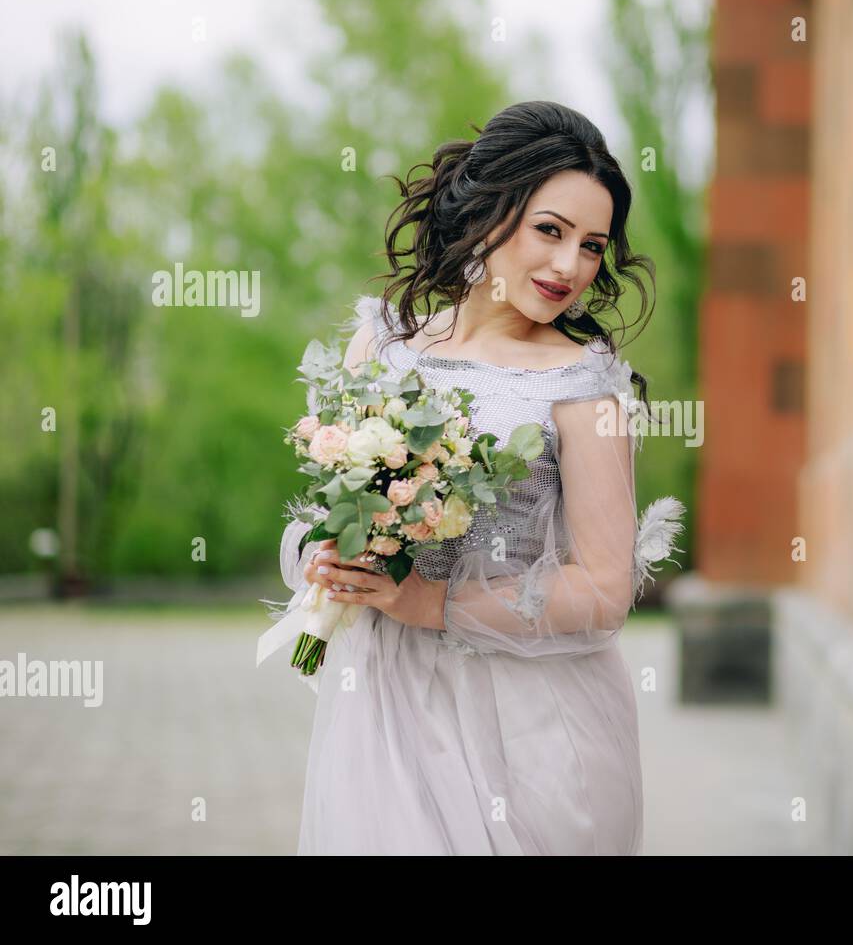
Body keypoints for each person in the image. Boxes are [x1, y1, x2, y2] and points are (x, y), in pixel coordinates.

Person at [275, 101, 684, 854]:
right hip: (385, 700)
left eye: (593, 247)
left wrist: (432, 602)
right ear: (494, 214)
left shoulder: (586, 386)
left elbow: (604, 588)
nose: (571, 267)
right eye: (550, 231)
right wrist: (323, 557)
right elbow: (320, 504)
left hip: (531, 723)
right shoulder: (384, 341)